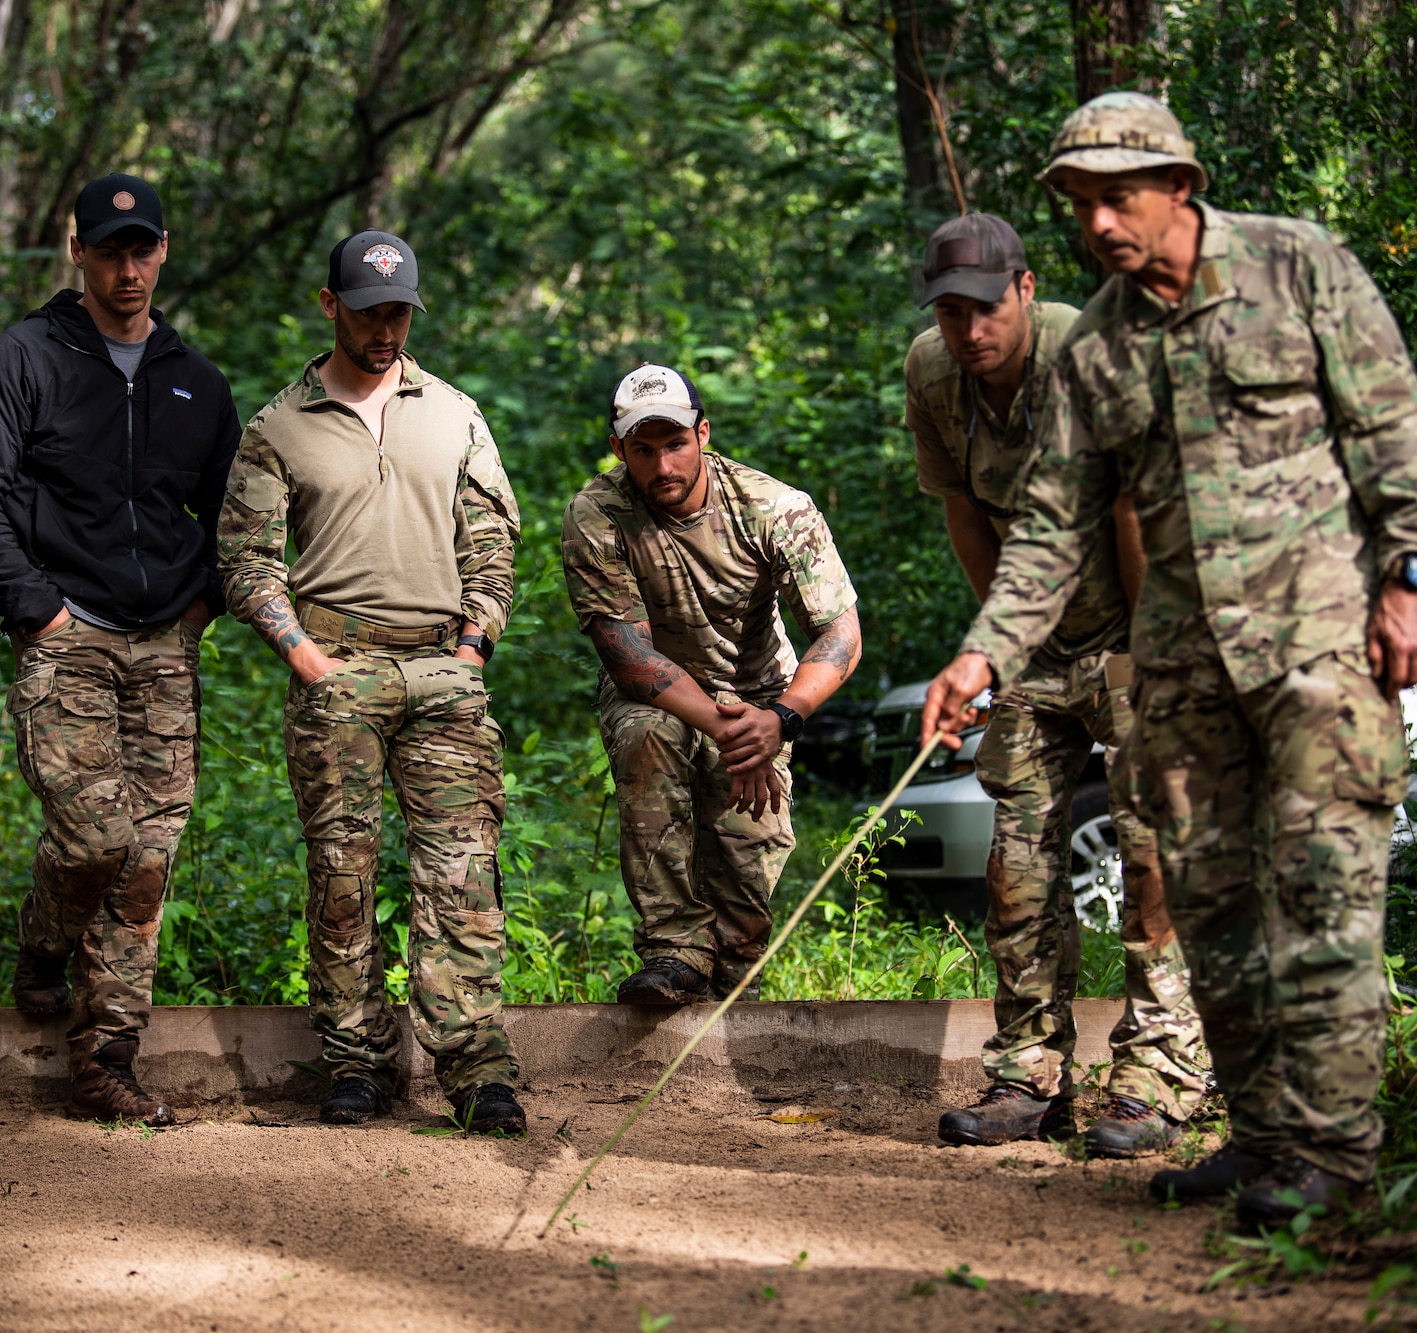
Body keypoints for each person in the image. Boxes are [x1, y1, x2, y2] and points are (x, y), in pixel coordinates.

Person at [920, 93, 1417, 1227]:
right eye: (1079, 204)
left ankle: (1332, 1158)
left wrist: (1412, 578)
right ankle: (1260, 1138)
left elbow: (1395, 429)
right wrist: (981, 657)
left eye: (1119, 196)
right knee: (1207, 912)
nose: (1100, 223)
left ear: (1180, 182)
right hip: (1179, 671)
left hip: (1318, 645)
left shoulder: (1296, 265)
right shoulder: (1097, 345)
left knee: (1320, 895)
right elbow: (1051, 533)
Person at [0, 174, 241, 1126]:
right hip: (66, 635)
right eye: (109, 250)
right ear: (78, 250)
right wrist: (38, 610)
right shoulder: (24, 358)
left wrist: (204, 606)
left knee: (149, 856)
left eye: (142, 249)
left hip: (165, 646)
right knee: (98, 834)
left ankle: (107, 1057)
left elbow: (240, 515)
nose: (127, 268)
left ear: (162, 251)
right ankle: (43, 934)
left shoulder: (195, 377)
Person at [905, 214, 1208, 1156]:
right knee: (1020, 857)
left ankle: (1164, 1073)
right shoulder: (931, 372)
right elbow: (965, 509)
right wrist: (997, 646)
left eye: (986, 307)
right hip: (1037, 636)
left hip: (1146, 610)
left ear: (1027, 290)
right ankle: (1028, 1072)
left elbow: (1133, 513)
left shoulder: (1092, 357)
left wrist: (1148, 659)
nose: (969, 330)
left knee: (1154, 845)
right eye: (950, 311)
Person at [217, 230, 524, 1135]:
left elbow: (495, 539)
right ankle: (354, 1061)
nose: (385, 328)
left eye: (398, 311)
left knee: (461, 873)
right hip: (336, 667)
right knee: (342, 871)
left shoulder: (457, 413)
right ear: (330, 306)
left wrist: (475, 645)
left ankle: (475, 1066)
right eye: (368, 310)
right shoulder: (278, 426)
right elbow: (244, 560)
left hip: (443, 667)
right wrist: (306, 659)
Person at [563, 364, 863, 1007]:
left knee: (745, 870)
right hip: (658, 693)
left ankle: (730, 985)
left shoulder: (774, 507)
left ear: (703, 433)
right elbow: (626, 653)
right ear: (620, 450)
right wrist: (728, 728)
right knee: (649, 734)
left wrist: (777, 721)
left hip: (762, 695)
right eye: (643, 449)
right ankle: (674, 951)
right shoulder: (599, 513)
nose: (662, 464)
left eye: (675, 444)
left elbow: (840, 634)